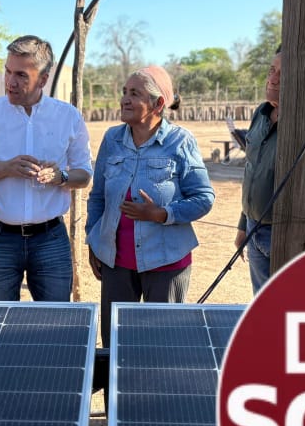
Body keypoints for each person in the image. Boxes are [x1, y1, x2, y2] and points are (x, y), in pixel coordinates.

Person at [0, 35, 92, 301]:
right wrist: (5, 168)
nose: (10, 82)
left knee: (55, 325)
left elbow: (84, 174)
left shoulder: (69, 117)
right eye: (7, 71)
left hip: (51, 239)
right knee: (0, 325)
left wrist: (60, 176)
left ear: (43, 79)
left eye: (21, 75)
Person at [86, 66, 214, 345]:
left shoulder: (180, 141)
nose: (125, 100)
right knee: (115, 347)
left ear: (158, 104)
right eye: (124, 92)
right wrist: (93, 241)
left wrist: (162, 214)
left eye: (135, 94)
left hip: (167, 262)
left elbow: (204, 198)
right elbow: (98, 197)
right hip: (116, 263)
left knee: (162, 347)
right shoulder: (112, 139)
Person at [235, 47, 305, 292]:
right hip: (256, 229)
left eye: (283, 74)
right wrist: (243, 225)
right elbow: (252, 169)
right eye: (271, 70)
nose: (272, 79)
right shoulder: (262, 112)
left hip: (294, 234)